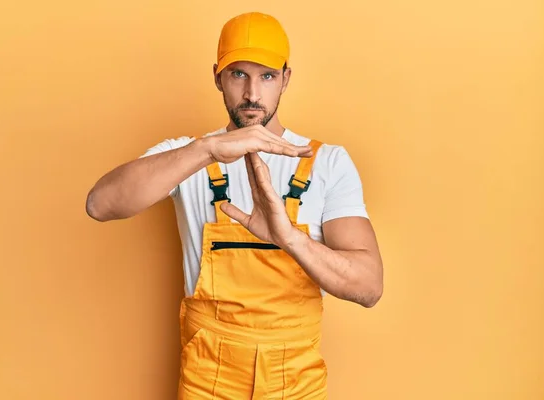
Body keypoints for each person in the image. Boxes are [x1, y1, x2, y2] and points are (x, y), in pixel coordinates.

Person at [86, 11, 384, 399]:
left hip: (296, 380)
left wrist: (289, 238)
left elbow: (369, 287)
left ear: (286, 78)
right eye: (238, 74)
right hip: (208, 377)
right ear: (217, 77)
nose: (252, 95)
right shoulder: (186, 155)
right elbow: (100, 203)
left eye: (267, 76)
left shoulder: (327, 162)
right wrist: (206, 150)